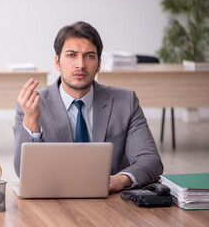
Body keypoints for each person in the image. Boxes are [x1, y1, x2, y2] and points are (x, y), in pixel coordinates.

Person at [13, 21, 163, 192]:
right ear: (57, 62)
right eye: (71, 55)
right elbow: (22, 172)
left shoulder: (126, 102)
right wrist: (31, 120)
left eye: (89, 56)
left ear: (99, 64)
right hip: (54, 200)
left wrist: (122, 179)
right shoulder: (31, 105)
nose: (81, 65)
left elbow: (150, 160)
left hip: (110, 203)